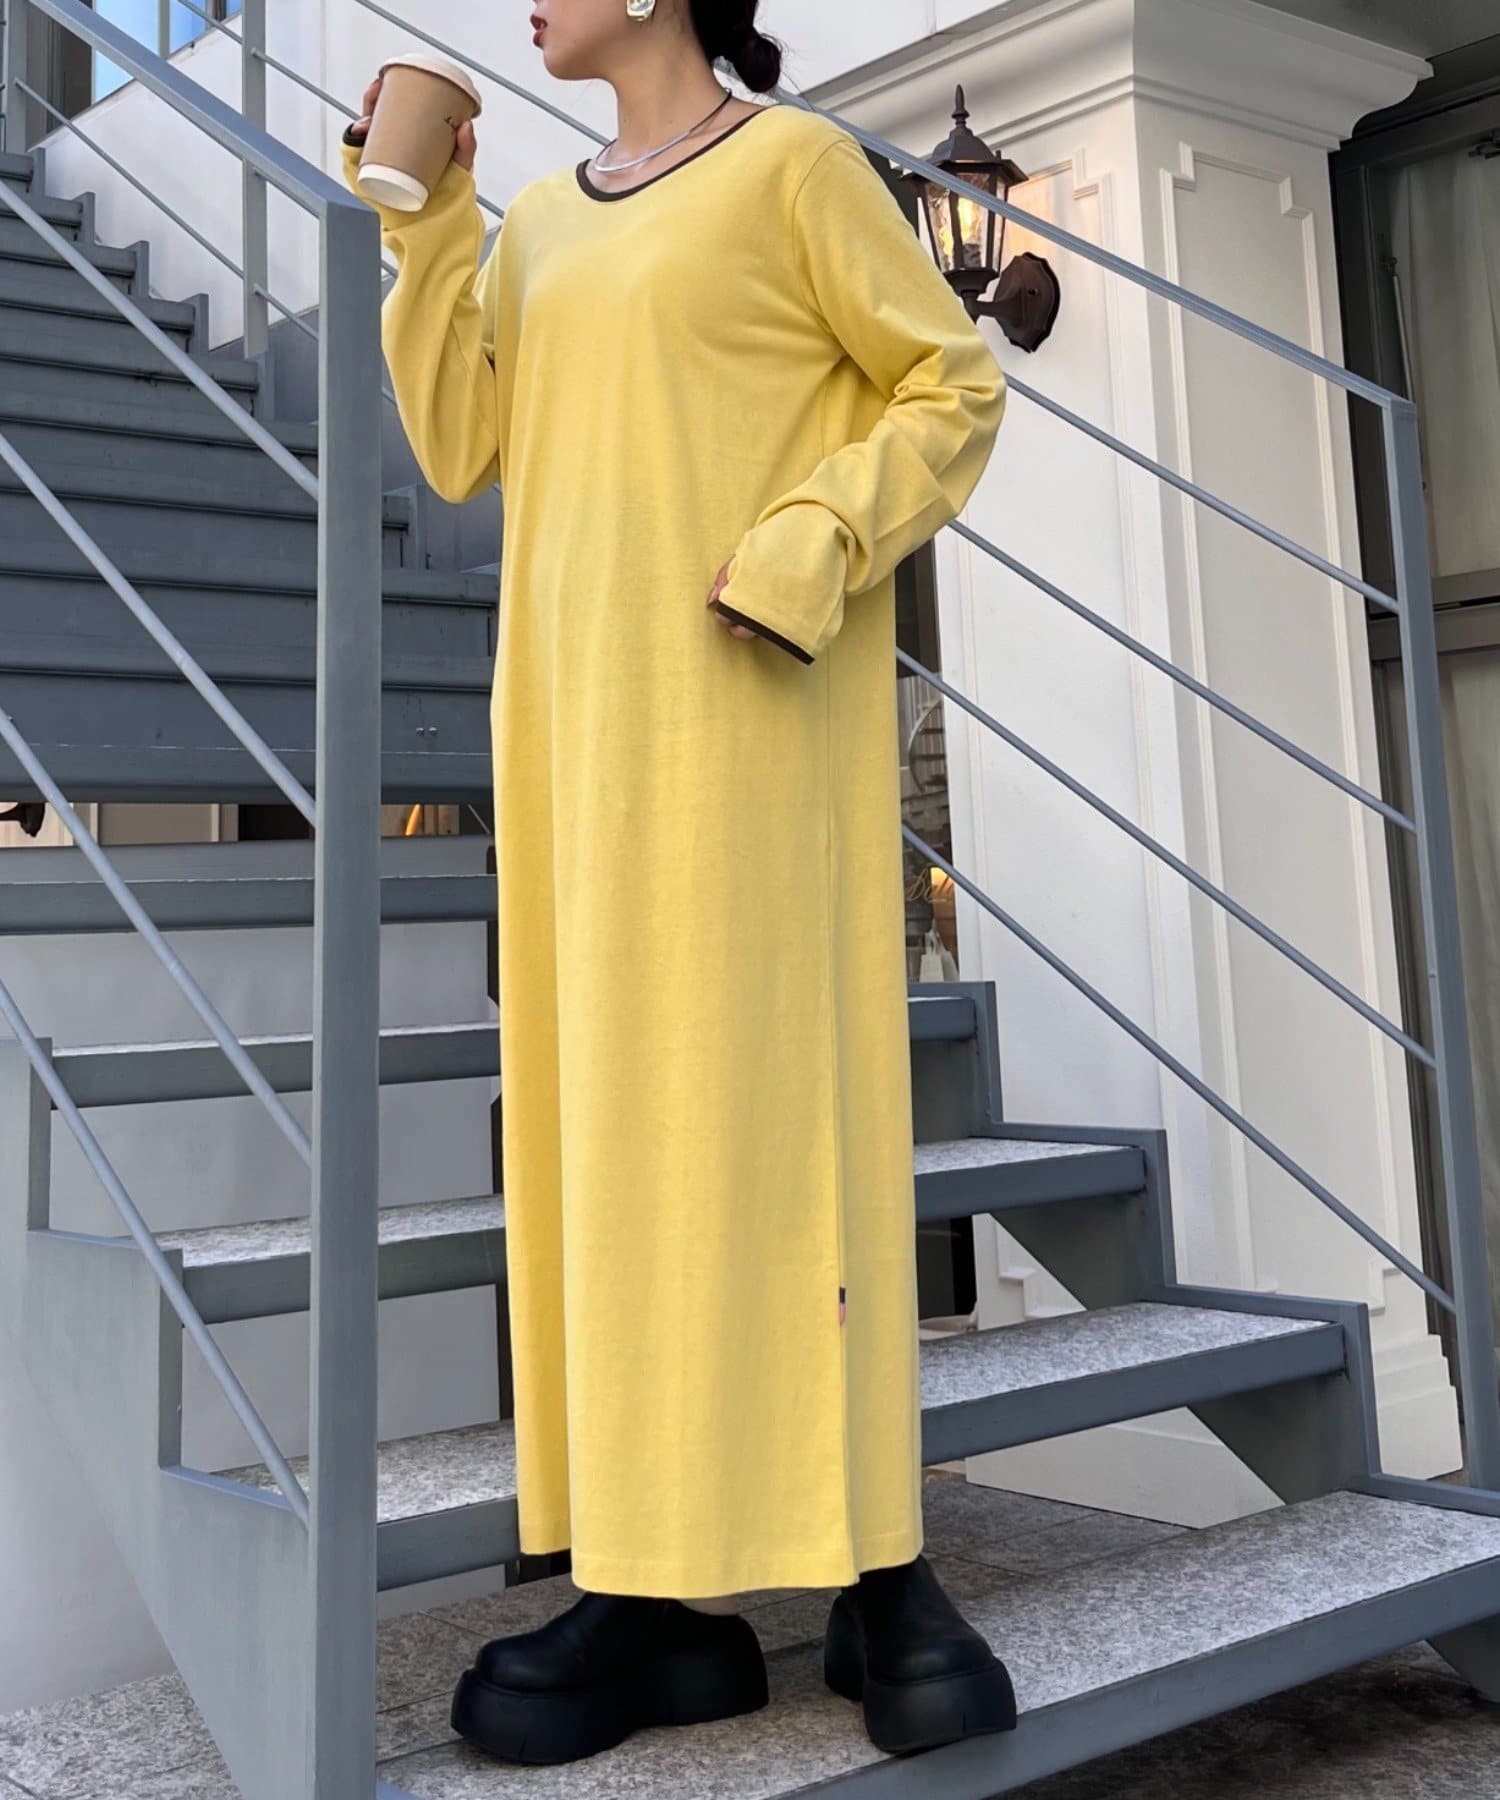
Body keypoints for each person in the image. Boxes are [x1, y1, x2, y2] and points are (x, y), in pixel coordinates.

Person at [342, 0, 1014, 1768]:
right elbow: (458, 444)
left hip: (750, 725)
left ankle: (878, 1556)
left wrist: (815, 538)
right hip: (577, 750)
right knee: (612, 1151)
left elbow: (953, 381)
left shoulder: (796, 170)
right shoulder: (539, 220)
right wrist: (430, 221)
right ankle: (648, 1582)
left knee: (794, 1135)